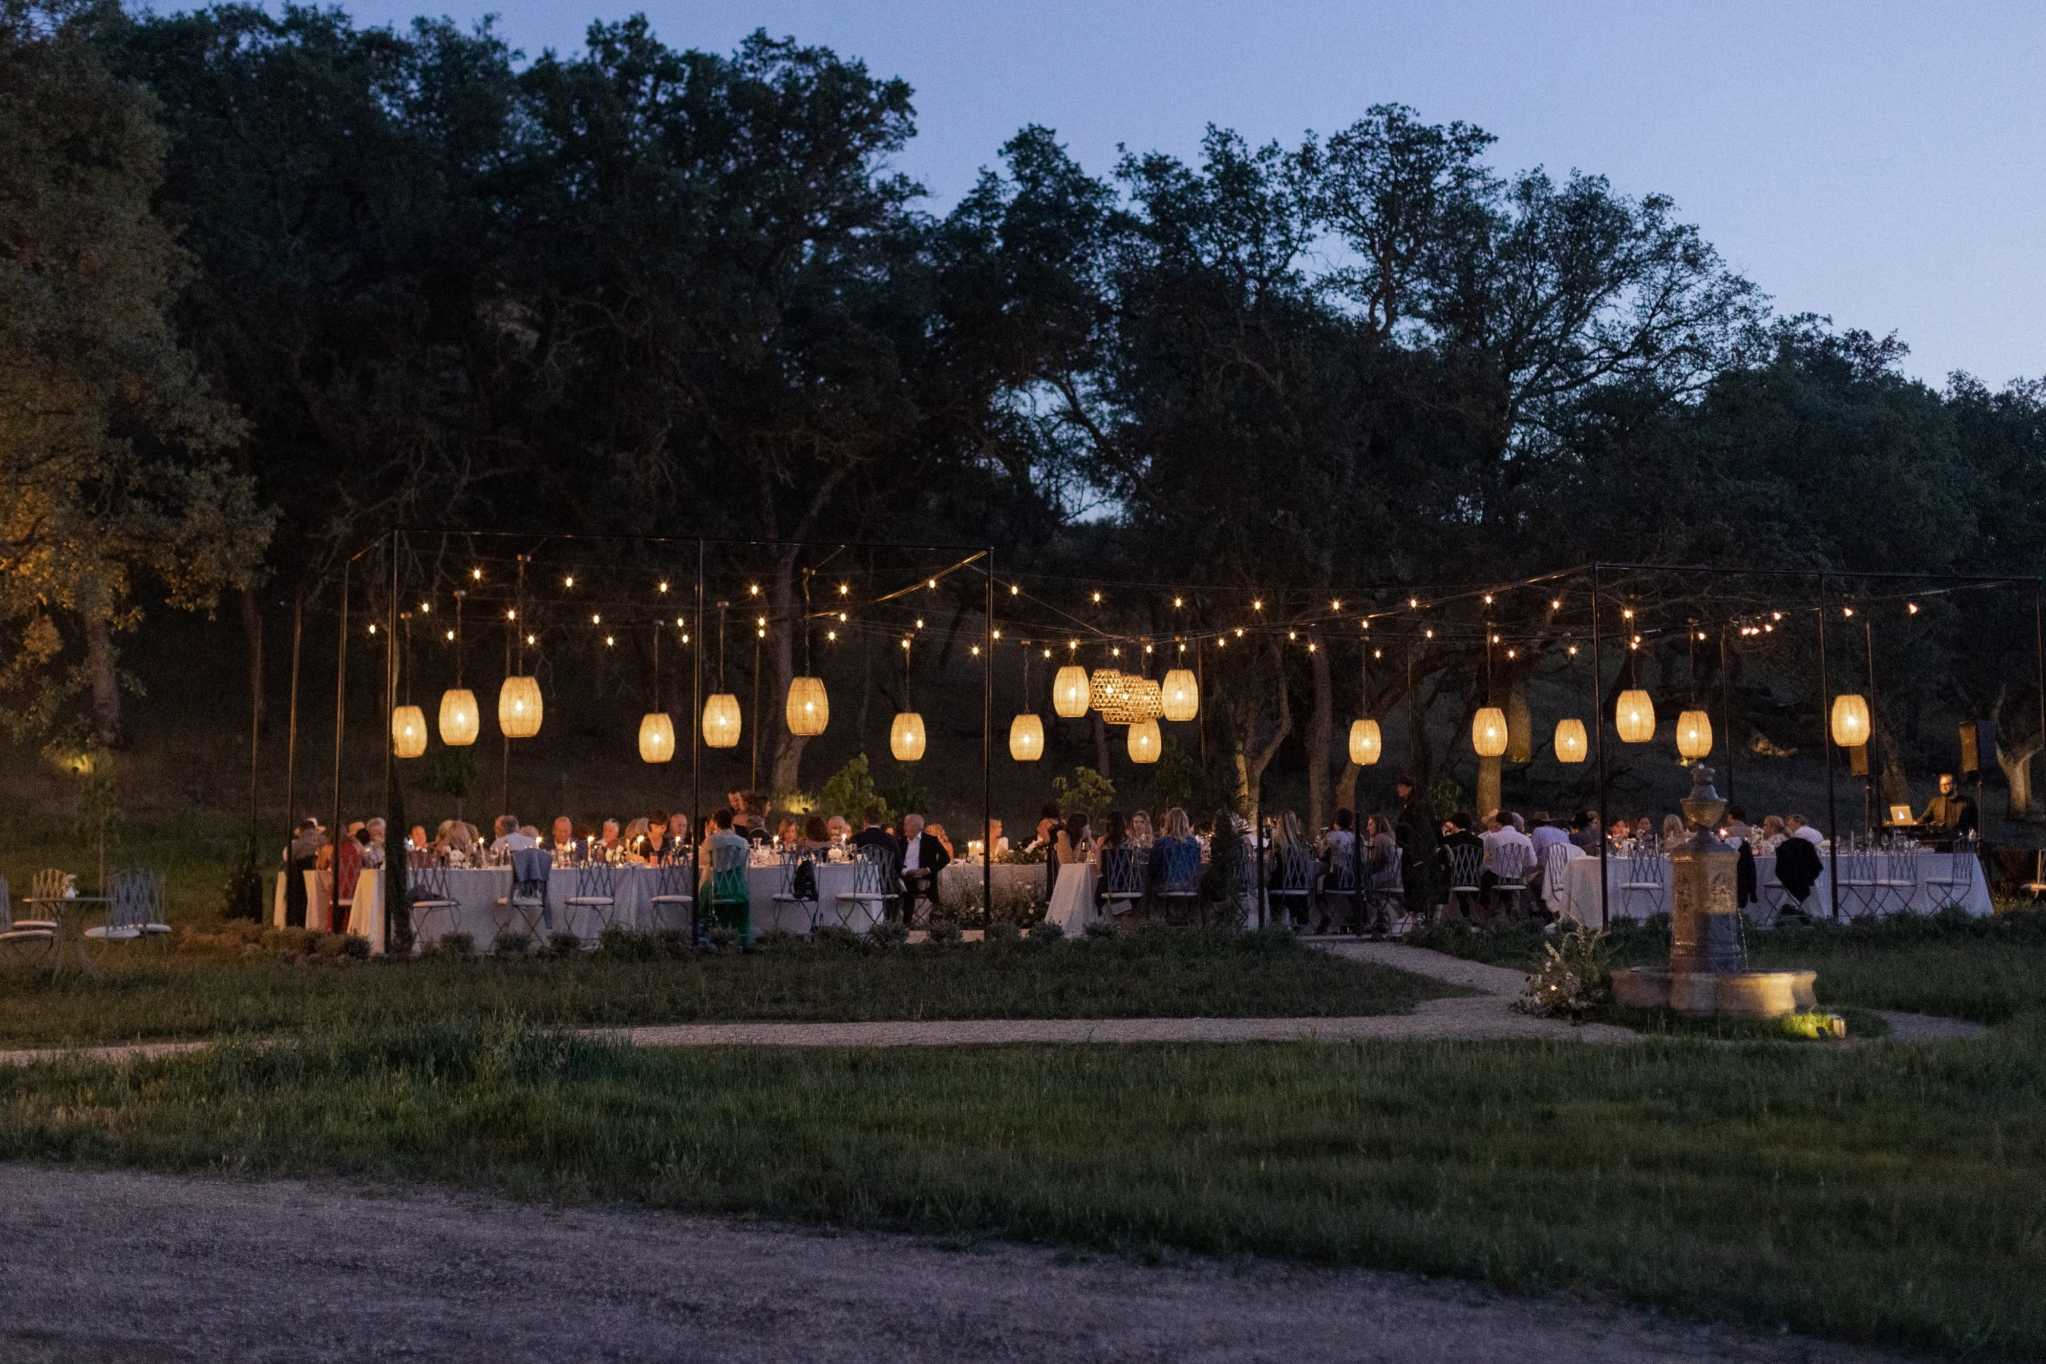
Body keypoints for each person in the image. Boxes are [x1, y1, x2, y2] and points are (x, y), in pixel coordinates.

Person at [1393, 775, 1439, 916]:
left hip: (1415, 851)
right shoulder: (1416, 805)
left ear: (1409, 787)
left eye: (1401, 786)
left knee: (1414, 882)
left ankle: (1417, 913)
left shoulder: (1416, 807)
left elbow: (1420, 829)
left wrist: (1414, 847)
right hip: (1416, 849)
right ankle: (1417, 913)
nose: (1398, 789)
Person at [897, 812, 950, 920]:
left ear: (915, 826)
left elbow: (945, 858)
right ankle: (892, 923)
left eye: (906, 824)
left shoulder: (931, 841)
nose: (903, 827)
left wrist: (927, 870)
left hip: (923, 879)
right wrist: (904, 871)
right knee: (896, 886)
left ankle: (905, 924)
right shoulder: (900, 842)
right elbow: (896, 861)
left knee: (908, 890)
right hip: (903, 877)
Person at [1918, 773, 1978, 841]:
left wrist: (1972, 837)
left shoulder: (1968, 802)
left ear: (1955, 785)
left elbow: (1975, 824)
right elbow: (1923, 819)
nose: (1943, 787)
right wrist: (1914, 822)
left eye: (1946, 784)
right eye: (1941, 785)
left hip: (1961, 842)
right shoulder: (1935, 802)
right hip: (1940, 841)